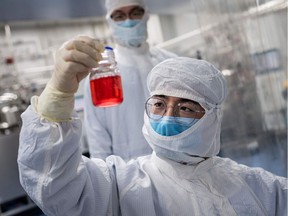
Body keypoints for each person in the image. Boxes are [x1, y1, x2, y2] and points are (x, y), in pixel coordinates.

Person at [17, 40, 287, 215]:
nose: (168, 116)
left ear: (212, 118)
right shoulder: (119, 184)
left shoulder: (259, 187)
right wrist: (57, 95)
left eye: (185, 108)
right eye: (159, 104)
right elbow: (54, 186)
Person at [83, 0, 177, 160]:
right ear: (110, 22)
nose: (129, 21)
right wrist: (106, 179)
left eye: (135, 13)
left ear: (146, 15)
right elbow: (97, 134)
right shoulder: (102, 73)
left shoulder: (171, 64)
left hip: (175, 164)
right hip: (127, 172)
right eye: (119, 15)